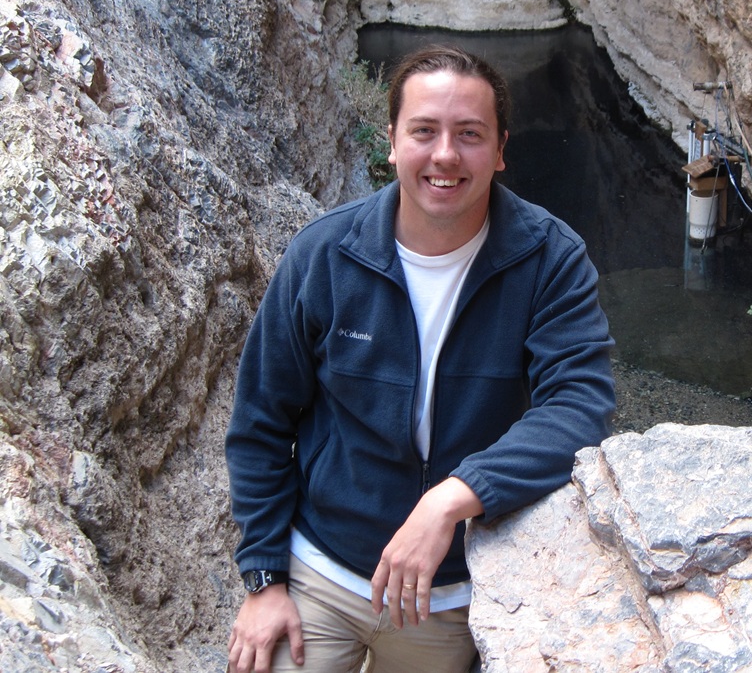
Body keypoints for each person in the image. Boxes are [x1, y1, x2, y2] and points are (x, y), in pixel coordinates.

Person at [225, 44, 615, 673]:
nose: (444, 155)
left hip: (451, 594)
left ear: (500, 149)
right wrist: (264, 580)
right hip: (320, 573)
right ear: (392, 142)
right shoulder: (324, 256)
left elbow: (578, 407)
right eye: (424, 131)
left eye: (469, 135)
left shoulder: (550, 259)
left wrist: (453, 497)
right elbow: (260, 424)